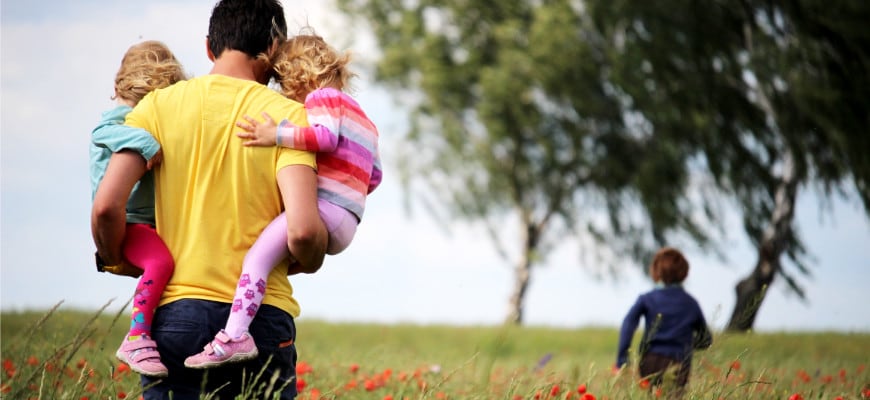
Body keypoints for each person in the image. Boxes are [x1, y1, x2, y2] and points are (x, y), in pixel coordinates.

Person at [91, 0, 328, 398]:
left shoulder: (155, 107)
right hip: (262, 318)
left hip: (175, 316)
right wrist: (314, 257)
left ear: (208, 47)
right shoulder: (289, 119)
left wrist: (117, 256)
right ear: (274, 49)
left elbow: (105, 206)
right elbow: (303, 231)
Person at [184, 32, 383, 369]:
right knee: (274, 259)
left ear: (298, 75)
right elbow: (374, 176)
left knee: (256, 260)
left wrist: (273, 134)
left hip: (325, 210)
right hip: (348, 220)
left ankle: (234, 336)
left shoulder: (322, 99)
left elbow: (323, 137)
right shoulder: (365, 120)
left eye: (283, 81)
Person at [90, 40, 185, 378]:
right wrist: (146, 143)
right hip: (129, 222)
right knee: (161, 262)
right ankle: (137, 336)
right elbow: (103, 132)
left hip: (145, 222)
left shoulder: (137, 115)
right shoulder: (122, 118)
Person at [614, 247, 712, 398]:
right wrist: (685, 344)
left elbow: (628, 324)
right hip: (679, 362)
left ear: (656, 271)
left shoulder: (647, 299)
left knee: (653, 395)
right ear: (684, 273)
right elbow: (706, 340)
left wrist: (622, 360)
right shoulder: (691, 303)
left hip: (650, 360)